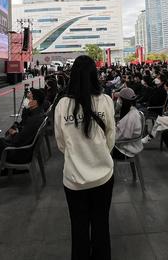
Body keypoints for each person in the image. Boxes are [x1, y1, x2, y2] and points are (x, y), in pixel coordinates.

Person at [54, 55, 115, 260]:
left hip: (74, 179)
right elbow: (110, 139)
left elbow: (61, 143)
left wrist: (77, 156)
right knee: (101, 224)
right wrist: (97, 153)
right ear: (94, 75)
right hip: (103, 175)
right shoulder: (105, 100)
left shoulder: (62, 105)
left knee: (78, 227)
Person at [112, 87, 143, 160]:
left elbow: (122, 136)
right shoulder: (132, 110)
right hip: (130, 145)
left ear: (123, 101)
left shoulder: (130, 117)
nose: (118, 100)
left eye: (119, 98)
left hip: (125, 150)